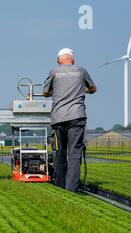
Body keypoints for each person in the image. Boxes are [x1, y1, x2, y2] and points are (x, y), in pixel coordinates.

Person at [42, 48, 96, 192]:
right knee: (74, 153)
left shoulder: (54, 72)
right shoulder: (81, 71)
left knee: (59, 152)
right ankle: (71, 189)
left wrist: (54, 92)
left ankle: (60, 186)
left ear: (59, 60)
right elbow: (93, 88)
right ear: (73, 60)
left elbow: (44, 92)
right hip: (77, 117)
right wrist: (84, 90)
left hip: (58, 119)